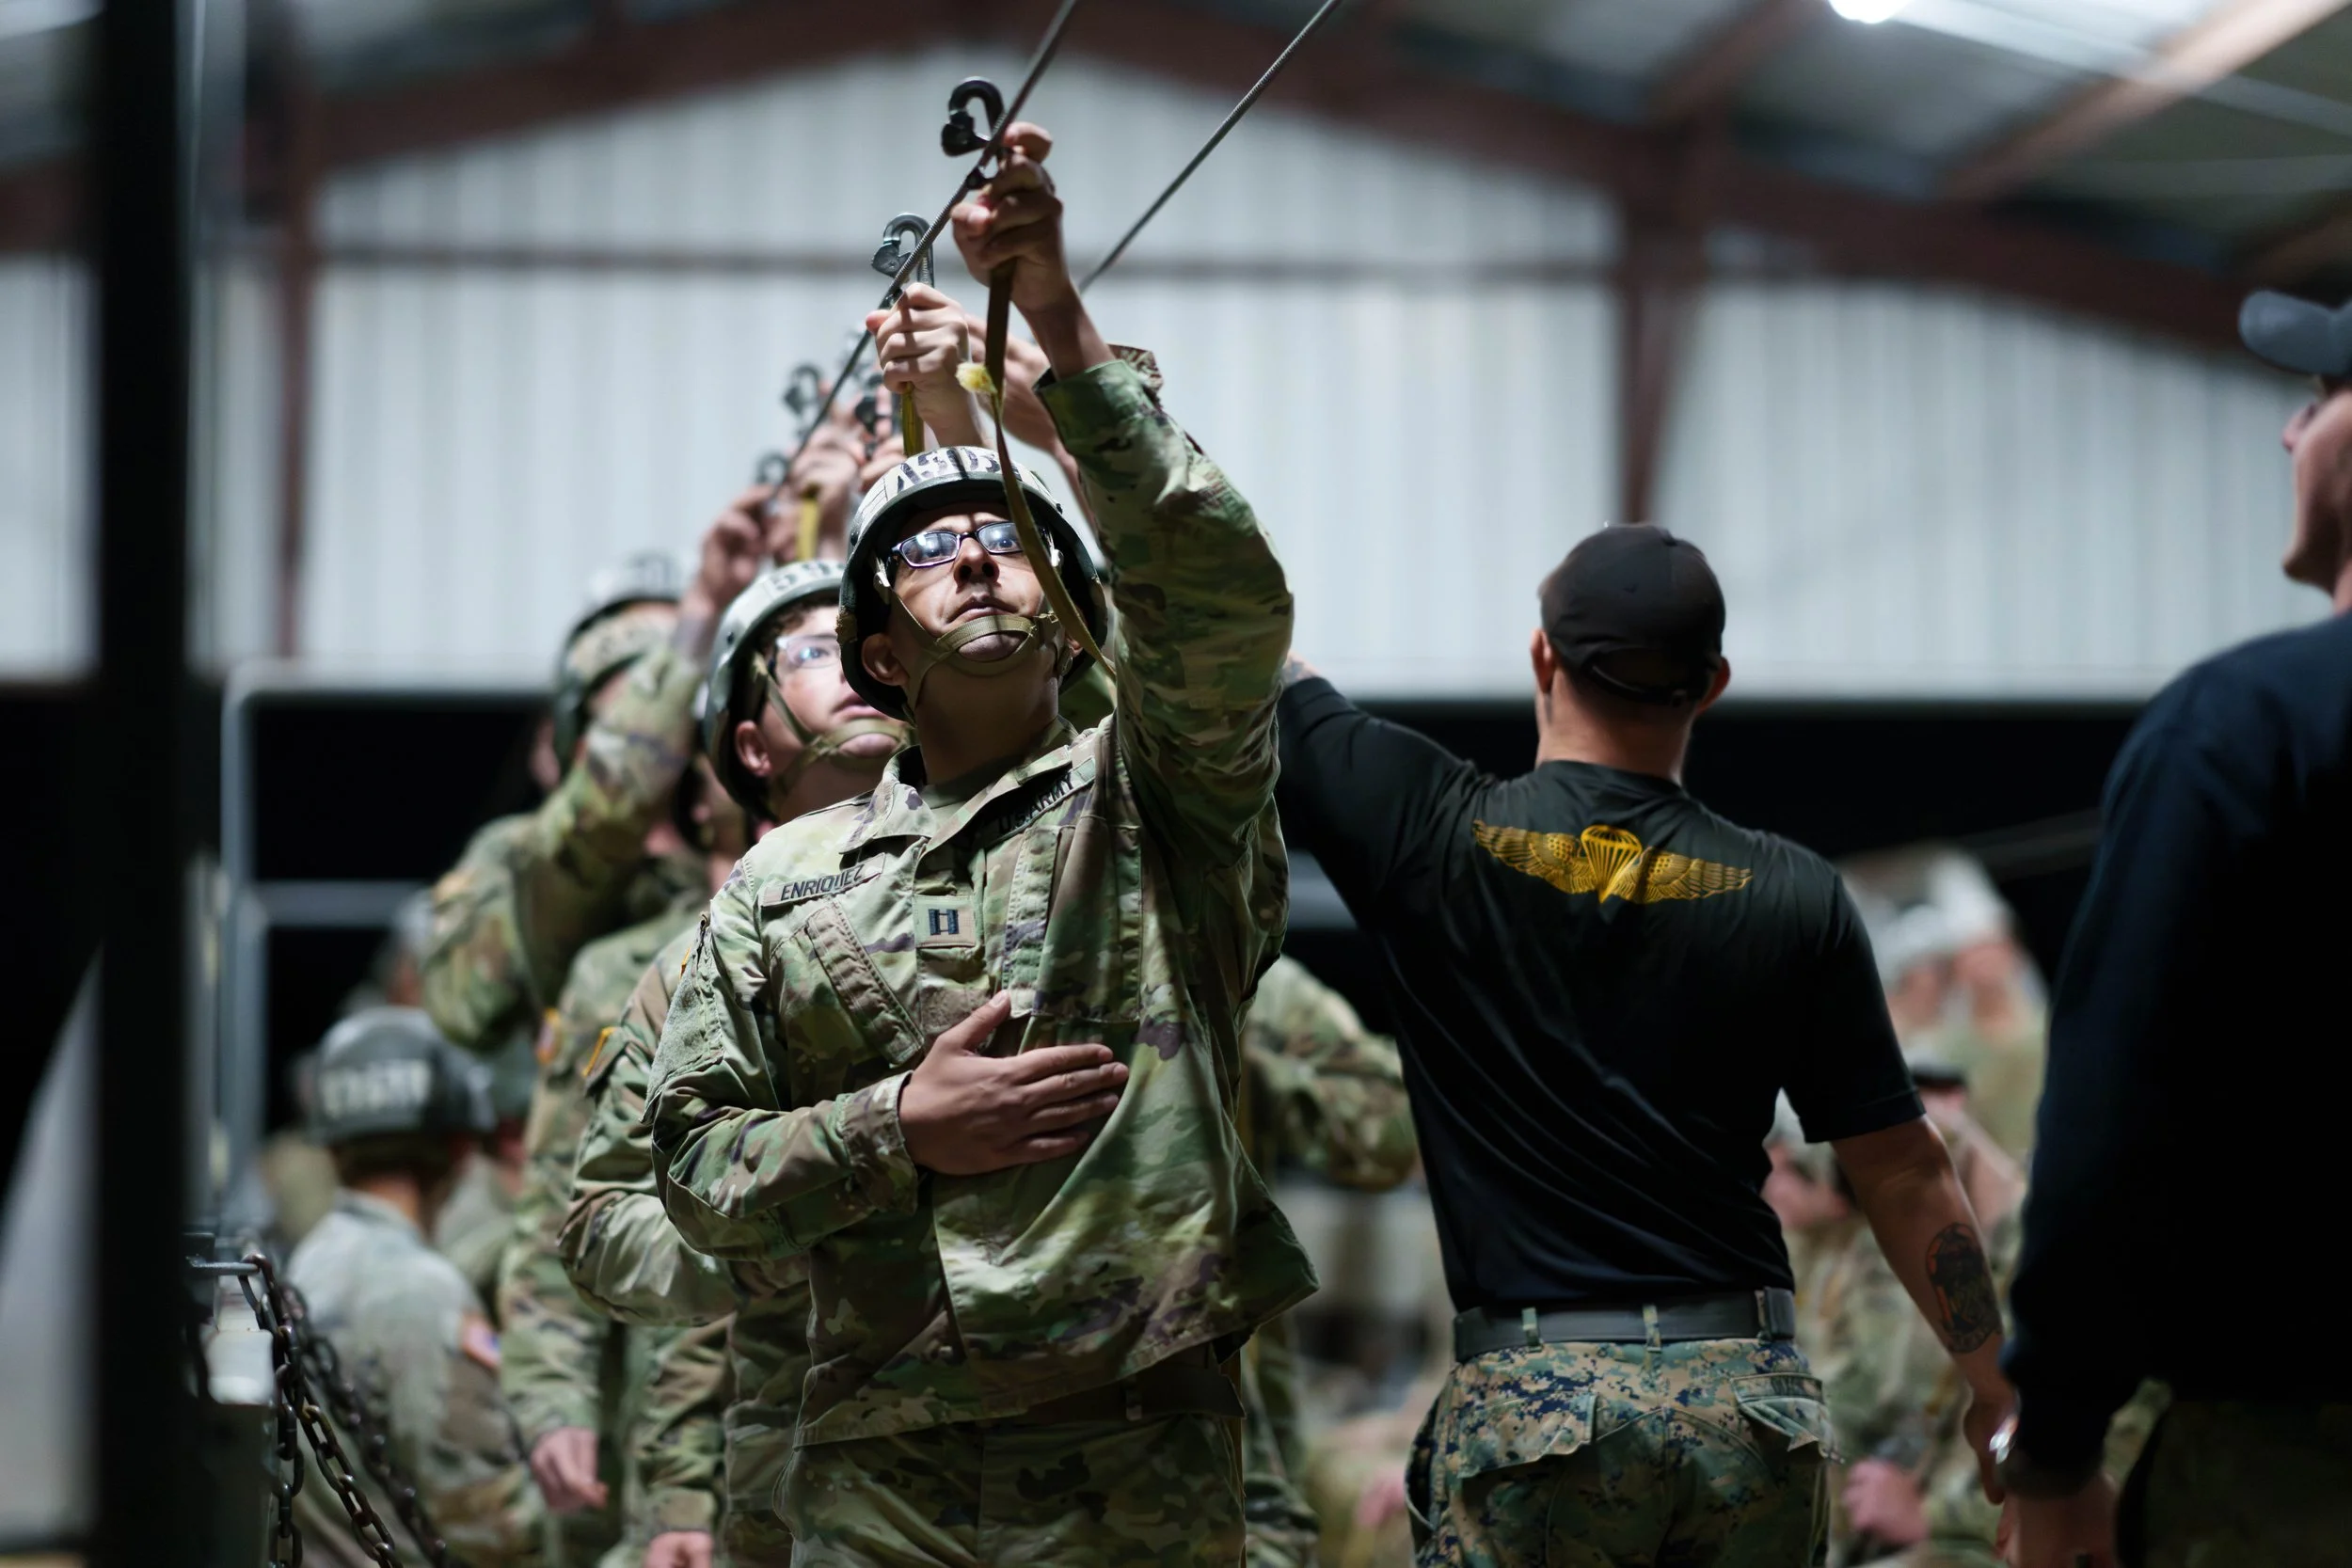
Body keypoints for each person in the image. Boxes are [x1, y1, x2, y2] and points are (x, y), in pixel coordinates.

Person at [644, 117, 1314, 1565]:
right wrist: (900, 1126)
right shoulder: (785, 878)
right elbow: (691, 1166)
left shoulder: (1156, 798)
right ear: (875, 646)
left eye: (1005, 537)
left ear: (1068, 608)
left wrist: (1058, 328)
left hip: (1142, 1453)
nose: (976, 556)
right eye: (930, 551)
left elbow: (1219, 603)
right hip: (883, 1472)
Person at [1275, 522, 2012, 1565]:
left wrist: (1082, 421)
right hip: (1750, 1410)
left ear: (1542, 656)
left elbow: (1240, 634)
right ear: (1710, 683)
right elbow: (1902, 1169)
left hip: (1541, 1411)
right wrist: (1994, 1391)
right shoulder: (1794, 893)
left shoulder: (1428, 829)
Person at [1996, 292, 2352, 1566]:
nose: (2286, 430)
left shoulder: (2244, 730)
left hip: (2296, 1467)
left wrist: (2054, 1442)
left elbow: (2117, 1120)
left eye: (2317, 396)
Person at [286, 1006, 548, 1567]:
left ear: (333, 1149)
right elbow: (493, 1527)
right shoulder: (425, 1292)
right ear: (459, 1148)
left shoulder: (310, 1261)